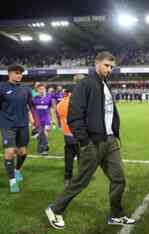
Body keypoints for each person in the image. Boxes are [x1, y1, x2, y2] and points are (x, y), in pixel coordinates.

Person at [45, 51, 135, 230]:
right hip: (93, 142)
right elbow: (74, 116)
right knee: (82, 180)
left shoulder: (105, 84)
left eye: (111, 67)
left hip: (110, 141)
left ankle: (116, 215)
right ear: (97, 64)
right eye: (106, 65)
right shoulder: (85, 84)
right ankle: (55, 209)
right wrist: (84, 142)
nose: (109, 69)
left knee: (119, 179)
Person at [0, 64, 39, 192]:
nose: (19, 75)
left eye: (21, 73)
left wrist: (36, 121)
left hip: (23, 125)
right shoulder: (2, 87)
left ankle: (17, 170)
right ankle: (12, 182)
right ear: (9, 74)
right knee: (10, 151)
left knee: (23, 152)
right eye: (16, 73)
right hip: (7, 125)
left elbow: (32, 106)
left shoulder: (26, 89)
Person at [56, 86, 79, 188]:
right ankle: (82, 176)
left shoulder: (60, 104)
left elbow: (60, 116)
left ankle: (68, 177)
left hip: (67, 135)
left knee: (69, 157)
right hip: (78, 134)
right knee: (82, 156)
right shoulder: (76, 102)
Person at [32, 83, 54, 155]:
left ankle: (44, 149)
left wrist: (52, 119)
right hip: (38, 119)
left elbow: (51, 108)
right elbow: (32, 109)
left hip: (46, 119)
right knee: (40, 134)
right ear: (37, 90)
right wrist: (32, 119)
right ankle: (41, 148)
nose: (41, 90)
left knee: (45, 133)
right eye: (40, 89)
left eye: (43, 89)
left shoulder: (48, 97)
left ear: (45, 89)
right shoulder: (34, 99)